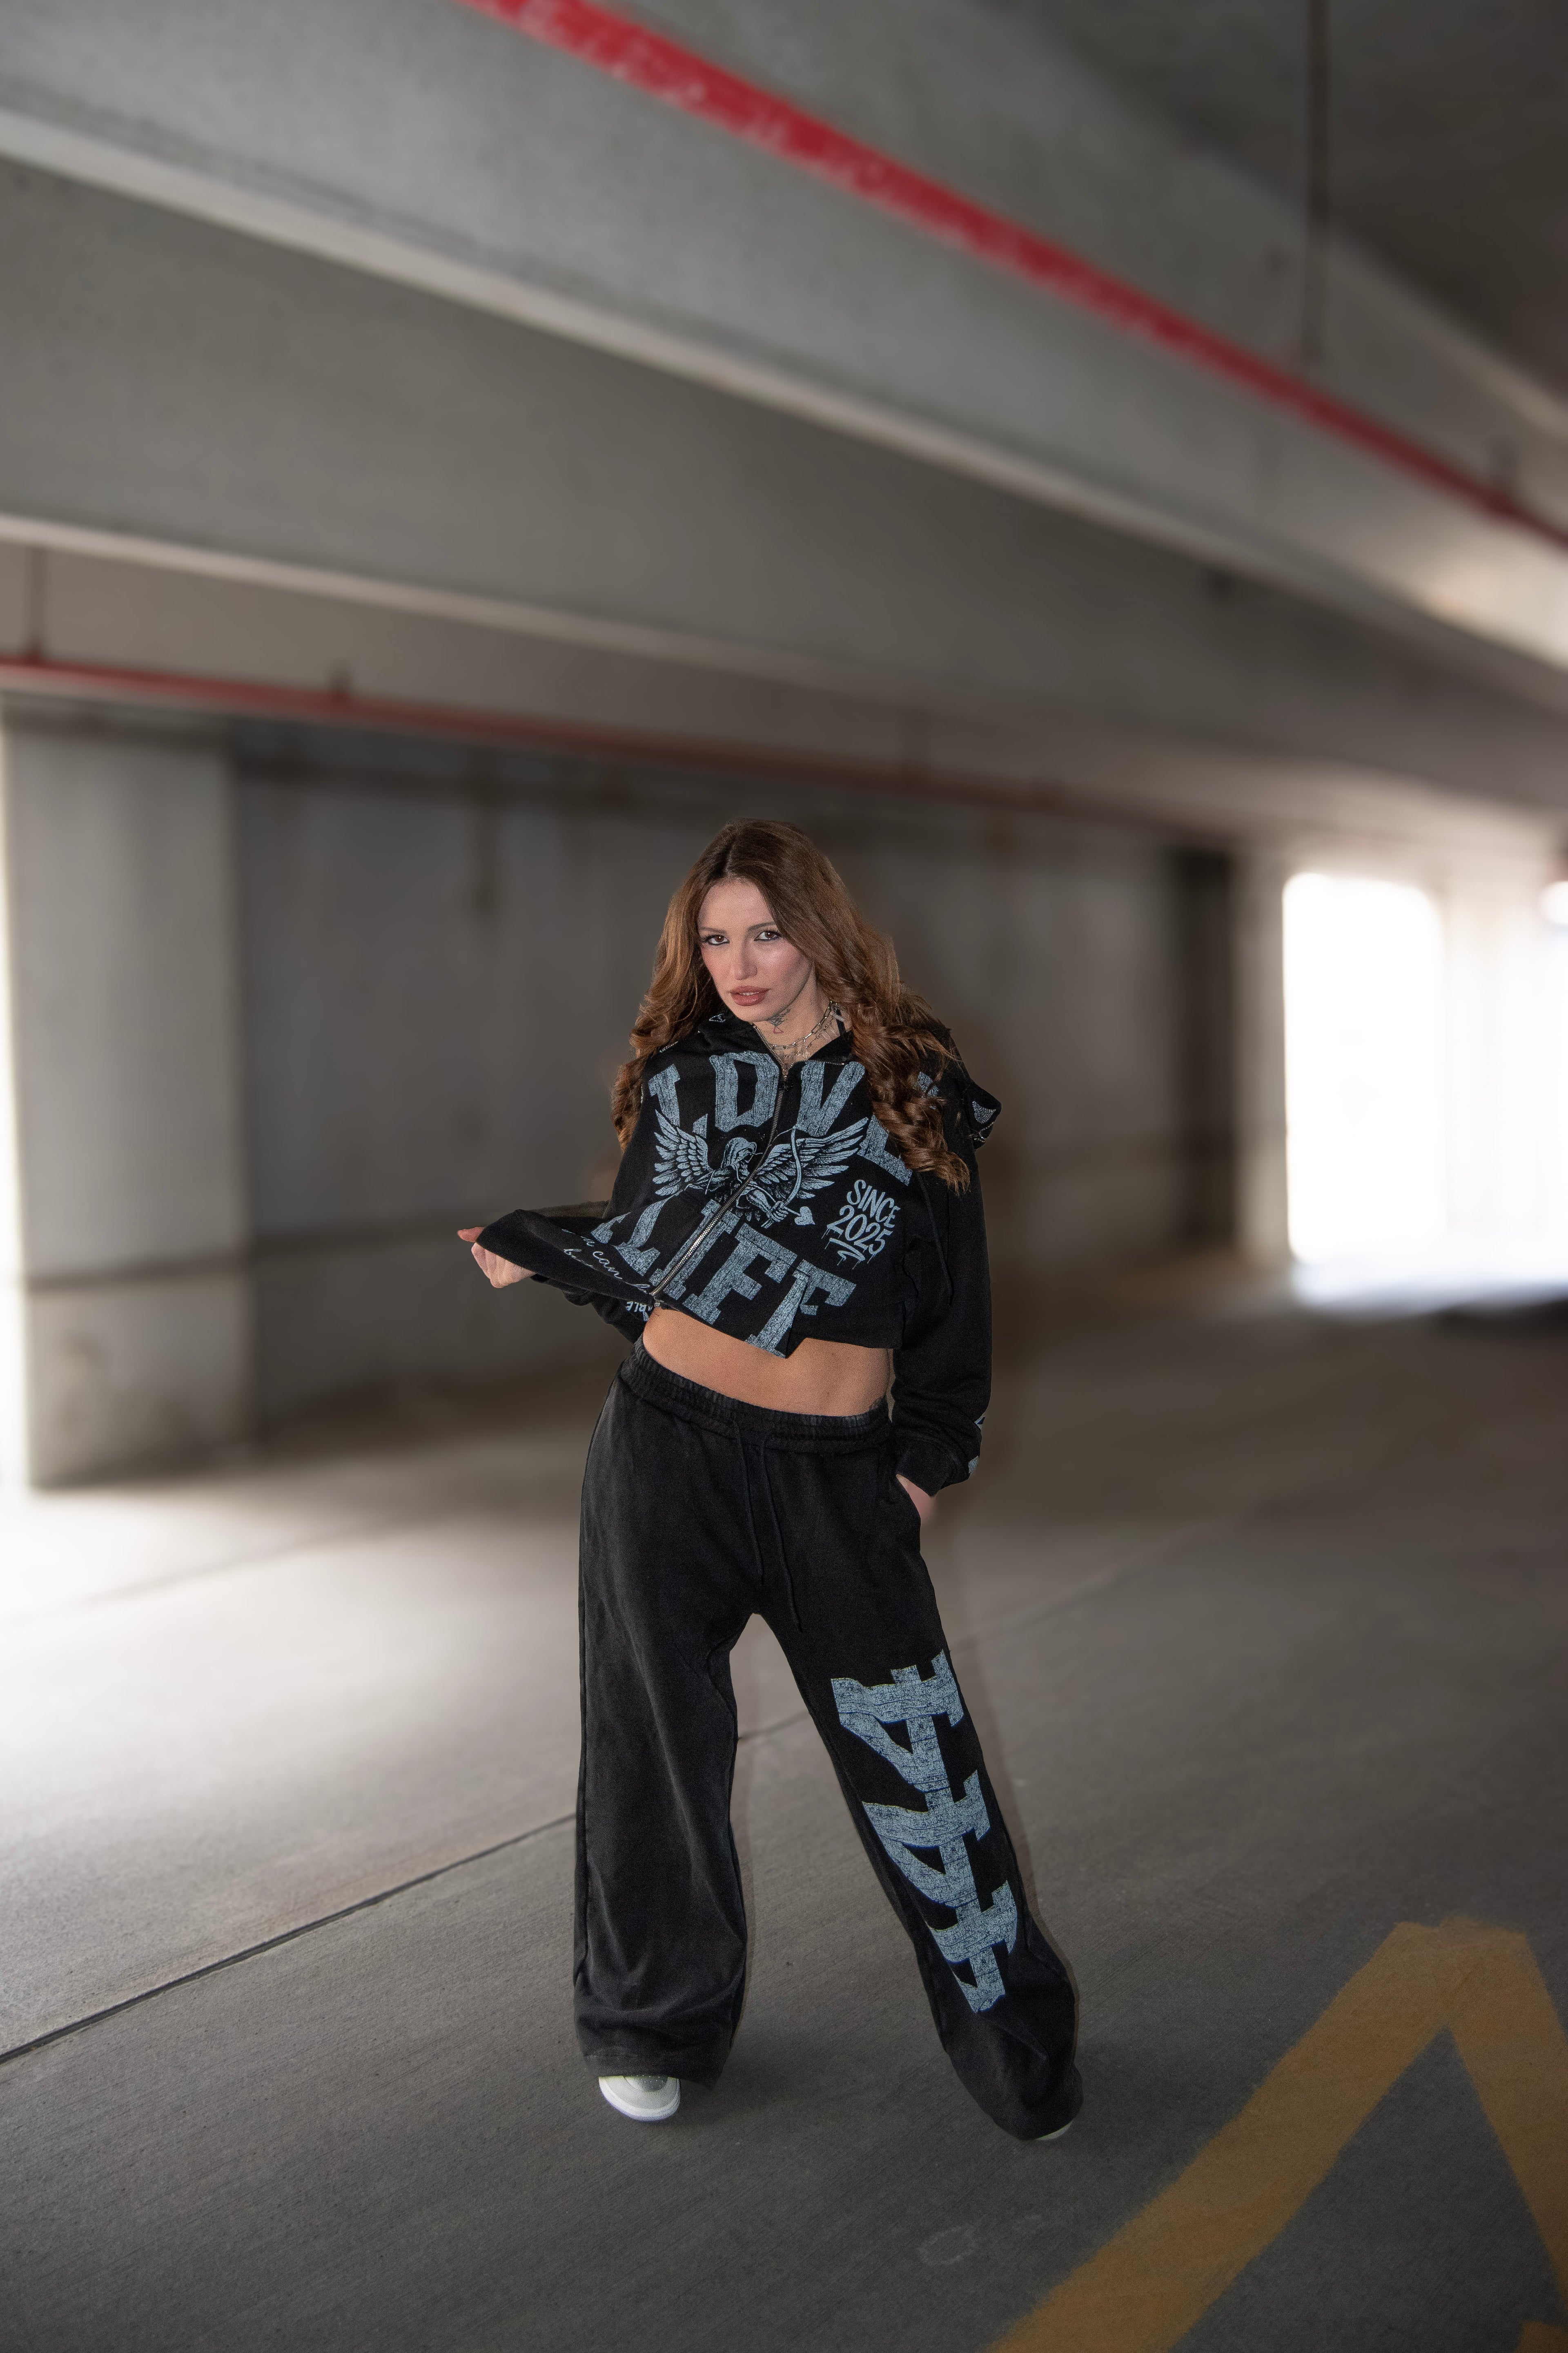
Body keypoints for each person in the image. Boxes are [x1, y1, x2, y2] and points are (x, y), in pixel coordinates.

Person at [459, 819, 1080, 2141]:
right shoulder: (685, 1076)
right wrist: (545, 1250)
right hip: (664, 1453)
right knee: (652, 1754)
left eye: (766, 932)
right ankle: (651, 2018)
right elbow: (649, 1259)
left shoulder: (914, 1080)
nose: (740, 964)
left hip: (834, 1480)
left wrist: (920, 1466)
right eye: (716, 939)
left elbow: (957, 1304)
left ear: (819, 930)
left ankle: (1016, 2040)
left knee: (923, 1762)